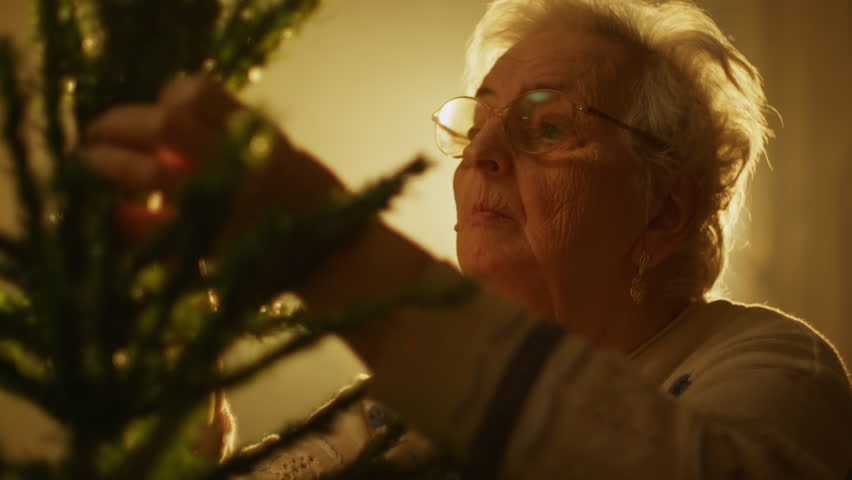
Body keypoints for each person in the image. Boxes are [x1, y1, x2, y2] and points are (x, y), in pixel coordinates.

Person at [84, 0, 852, 478]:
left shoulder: (765, 364)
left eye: (547, 127)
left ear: (665, 212)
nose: (483, 153)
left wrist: (331, 248)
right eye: (479, 123)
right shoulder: (385, 412)